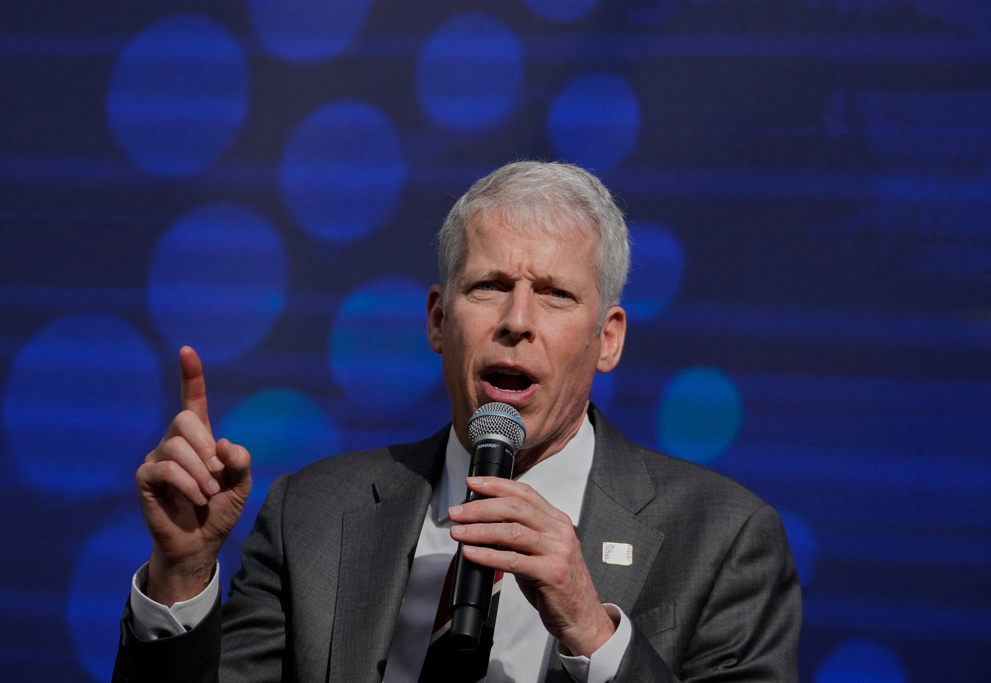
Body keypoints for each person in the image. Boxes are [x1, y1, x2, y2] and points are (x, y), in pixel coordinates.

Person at [114, 161, 801, 682]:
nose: (517, 321)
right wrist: (182, 570)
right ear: (439, 320)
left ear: (609, 338)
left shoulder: (724, 539)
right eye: (490, 286)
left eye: (556, 294)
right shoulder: (312, 515)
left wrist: (593, 632)